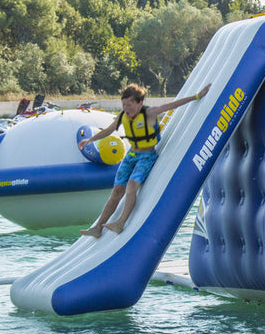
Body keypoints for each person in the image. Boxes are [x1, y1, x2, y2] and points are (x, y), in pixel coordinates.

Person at [79, 82, 211, 237]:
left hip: (146, 156)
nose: (126, 108)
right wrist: (90, 140)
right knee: (116, 191)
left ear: (140, 103)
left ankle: (120, 223)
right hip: (131, 156)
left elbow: (172, 105)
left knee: (131, 186)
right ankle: (98, 227)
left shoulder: (149, 113)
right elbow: (108, 130)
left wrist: (197, 96)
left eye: (129, 105)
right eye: (124, 105)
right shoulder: (123, 116)